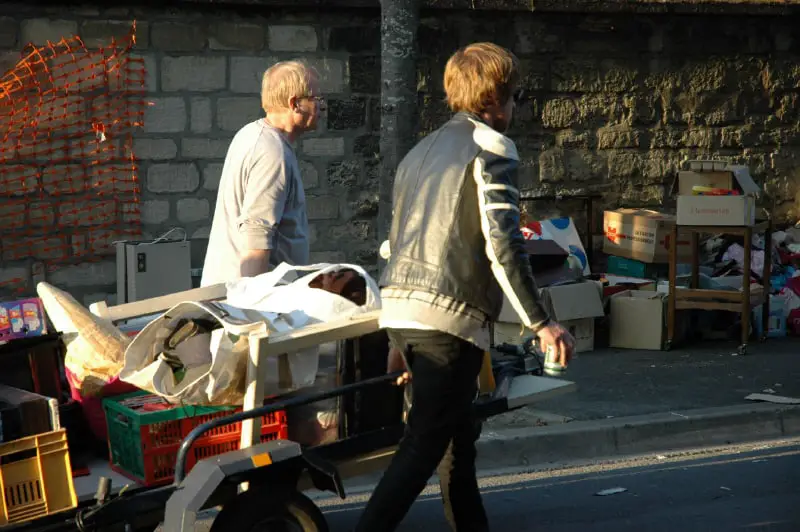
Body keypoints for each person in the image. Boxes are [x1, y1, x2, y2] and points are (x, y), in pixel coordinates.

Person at [356, 43, 576, 531]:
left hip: (402, 307)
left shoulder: (417, 154)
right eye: (515, 97)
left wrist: (394, 333)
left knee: (457, 442)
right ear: (494, 99)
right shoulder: (493, 148)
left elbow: (394, 244)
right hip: (448, 317)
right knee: (424, 446)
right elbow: (504, 244)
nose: (516, 108)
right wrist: (541, 323)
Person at [201, 60, 325, 286]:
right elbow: (257, 235)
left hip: (234, 296)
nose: (322, 106)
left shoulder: (252, 135)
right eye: (316, 99)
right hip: (246, 304)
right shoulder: (271, 151)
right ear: (294, 103)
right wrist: (254, 306)